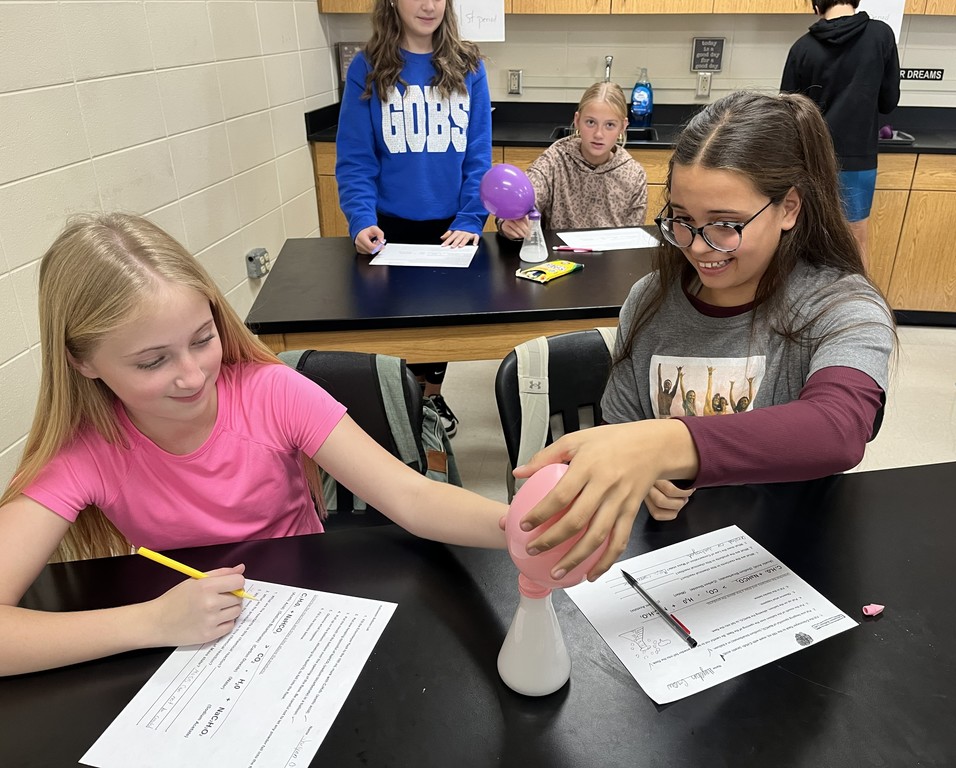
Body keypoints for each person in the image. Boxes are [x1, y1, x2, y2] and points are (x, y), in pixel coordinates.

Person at [0, 213, 506, 677]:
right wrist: (151, 623)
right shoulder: (86, 451)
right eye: (152, 362)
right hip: (187, 636)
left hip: (308, 611)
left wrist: (519, 526)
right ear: (82, 362)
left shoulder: (270, 392)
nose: (193, 376)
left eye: (203, 338)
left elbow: (411, 498)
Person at [510, 90, 896, 583]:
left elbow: (838, 429)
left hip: (789, 566)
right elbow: (621, 427)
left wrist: (661, 446)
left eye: (726, 225)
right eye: (682, 220)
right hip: (669, 565)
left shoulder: (841, 304)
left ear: (789, 208)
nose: (698, 246)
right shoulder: (651, 298)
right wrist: (644, 474)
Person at [336, 0, 493, 437]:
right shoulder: (369, 67)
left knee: (439, 326)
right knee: (396, 329)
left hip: (450, 229)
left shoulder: (469, 66)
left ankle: (429, 400)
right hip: (389, 226)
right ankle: (402, 401)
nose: (428, 5)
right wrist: (360, 218)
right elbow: (355, 158)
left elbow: (478, 157)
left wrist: (470, 218)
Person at [780, 0, 900, 270]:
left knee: (803, 239)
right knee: (856, 240)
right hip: (858, 158)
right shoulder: (880, 35)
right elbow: (888, 101)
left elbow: (787, 113)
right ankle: (858, 310)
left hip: (810, 159)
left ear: (815, 5)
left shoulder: (801, 48)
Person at [496, 82, 647, 239]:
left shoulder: (634, 176)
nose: (598, 134)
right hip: (560, 260)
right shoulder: (555, 160)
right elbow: (526, 192)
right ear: (577, 120)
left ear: (623, 126)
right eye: (590, 122)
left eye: (609, 125)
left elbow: (634, 239)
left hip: (612, 260)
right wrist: (510, 220)